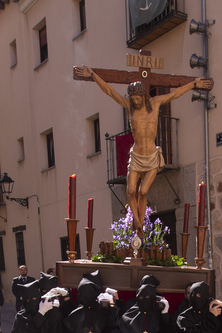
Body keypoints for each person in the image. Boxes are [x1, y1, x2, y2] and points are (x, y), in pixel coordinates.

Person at [76, 65, 213, 236]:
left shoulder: (155, 104)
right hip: (137, 156)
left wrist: (193, 84)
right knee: (131, 191)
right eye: (133, 98)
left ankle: (139, 224)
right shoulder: (129, 106)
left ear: (143, 95)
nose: (135, 101)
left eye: (138, 98)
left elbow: (175, 93)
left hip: (152, 157)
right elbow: (110, 91)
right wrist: (93, 75)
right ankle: (138, 224)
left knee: (143, 191)